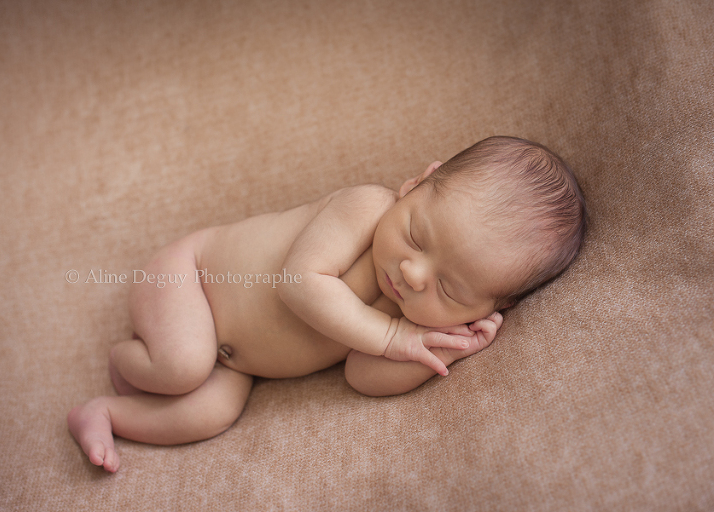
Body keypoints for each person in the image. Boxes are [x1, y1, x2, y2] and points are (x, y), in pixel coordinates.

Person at [68, 136, 587, 473]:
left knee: (214, 411)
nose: (412, 272)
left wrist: (437, 351)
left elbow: (363, 375)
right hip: (194, 275)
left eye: (449, 290)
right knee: (182, 363)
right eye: (416, 234)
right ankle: (128, 360)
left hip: (239, 363)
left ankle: (106, 412)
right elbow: (299, 282)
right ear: (416, 184)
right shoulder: (367, 208)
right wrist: (392, 337)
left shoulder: (408, 318)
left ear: (482, 309)